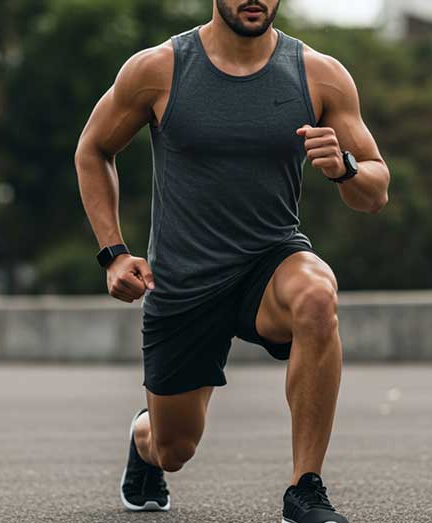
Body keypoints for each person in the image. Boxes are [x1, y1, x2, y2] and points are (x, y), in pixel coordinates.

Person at [74, 1, 389, 521]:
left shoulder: (319, 75)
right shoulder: (158, 69)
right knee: (174, 449)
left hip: (269, 263)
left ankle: (304, 489)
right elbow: (93, 149)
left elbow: (375, 191)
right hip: (184, 281)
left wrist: (346, 167)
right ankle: (143, 434)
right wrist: (113, 253)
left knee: (316, 293)